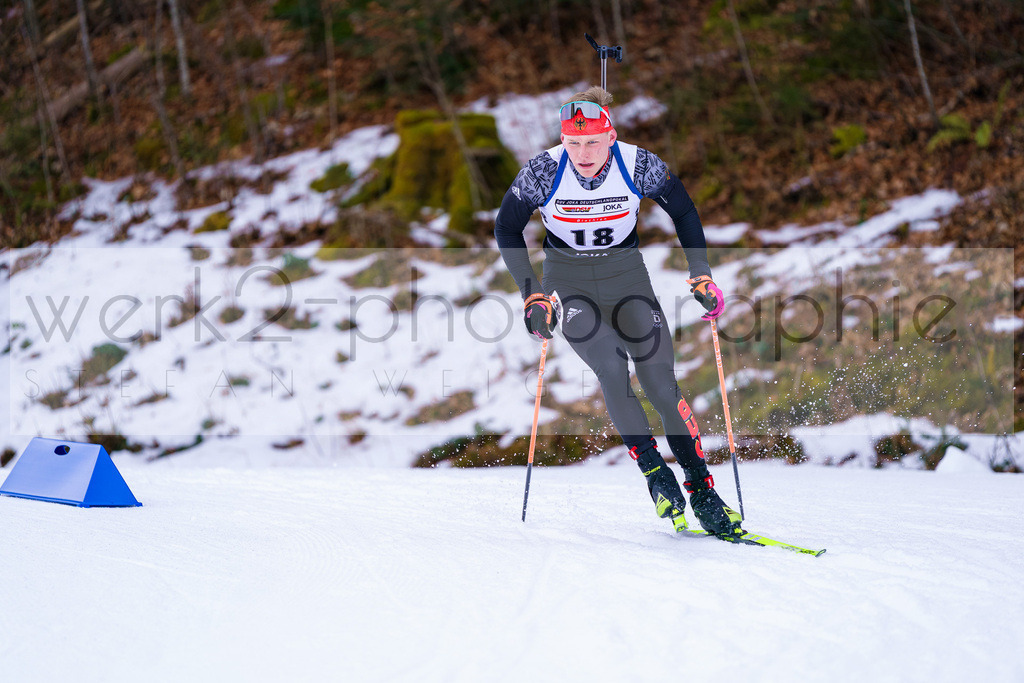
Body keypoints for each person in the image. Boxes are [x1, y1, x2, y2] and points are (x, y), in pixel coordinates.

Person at [494, 86, 741, 536]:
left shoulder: (638, 163)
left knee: (661, 384)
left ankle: (703, 489)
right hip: (568, 285)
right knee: (611, 366)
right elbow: (507, 226)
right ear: (563, 141)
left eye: (592, 142)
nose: (583, 153)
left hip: (628, 279)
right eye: (573, 143)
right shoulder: (543, 170)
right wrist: (531, 293)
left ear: (610, 135)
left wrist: (700, 273)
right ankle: (655, 474)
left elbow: (684, 212)